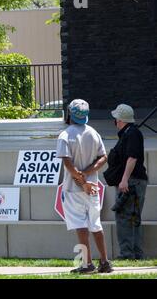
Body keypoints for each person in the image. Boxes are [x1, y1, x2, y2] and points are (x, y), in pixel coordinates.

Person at [56, 99, 113, 273]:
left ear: (69, 113)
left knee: (80, 226)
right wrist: (87, 175)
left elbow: (67, 162)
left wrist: (80, 179)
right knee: (96, 224)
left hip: (73, 190)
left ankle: (87, 264)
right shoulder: (94, 133)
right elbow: (103, 157)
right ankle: (105, 262)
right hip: (93, 188)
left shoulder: (65, 135)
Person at [110, 104, 148, 259]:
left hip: (131, 182)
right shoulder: (130, 133)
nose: (115, 122)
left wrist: (124, 180)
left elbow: (132, 157)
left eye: (116, 119)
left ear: (120, 120)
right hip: (133, 181)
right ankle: (135, 254)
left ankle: (127, 254)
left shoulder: (131, 134)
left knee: (125, 218)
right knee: (132, 218)